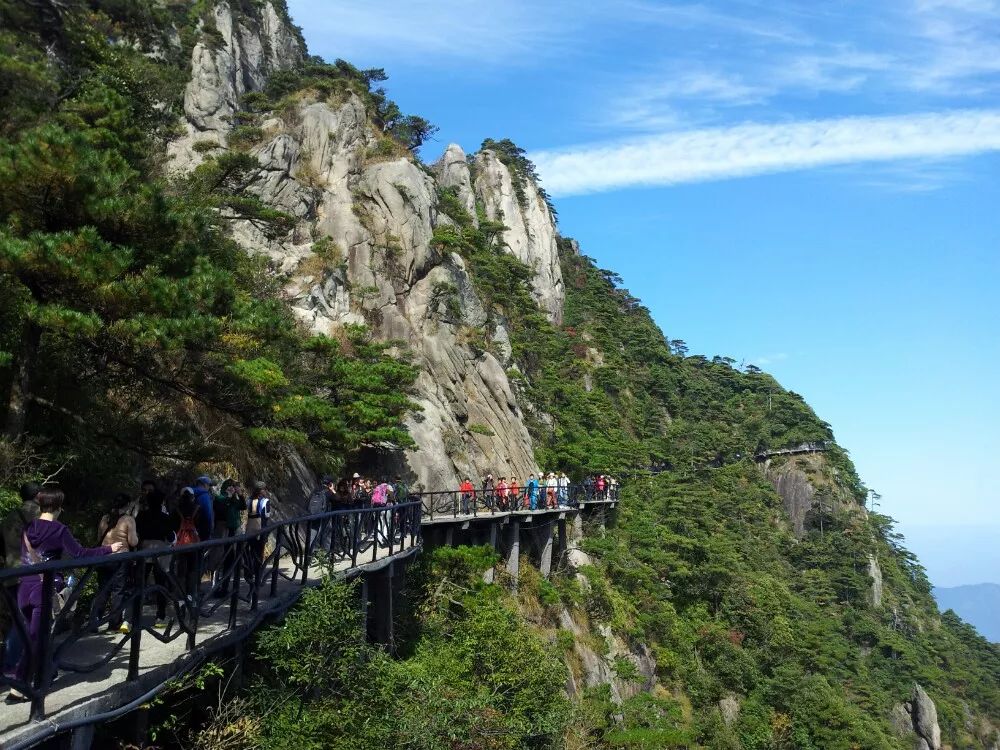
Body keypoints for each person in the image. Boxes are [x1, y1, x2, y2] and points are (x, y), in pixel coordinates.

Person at [7, 487, 122, 703]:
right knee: (36, 638)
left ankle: (41, 676)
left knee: (31, 636)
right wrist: (109, 549)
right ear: (59, 508)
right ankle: (19, 687)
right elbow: (80, 553)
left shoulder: (28, 526)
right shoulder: (59, 530)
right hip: (43, 588)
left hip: (24, 587)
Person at [2, 482, 40, 677]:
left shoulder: (9, 517)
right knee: (29, 621)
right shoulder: (38, 515)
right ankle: (17, 666)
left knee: (19, 620)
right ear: (38, 495)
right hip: (30, 575)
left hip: (10, 573)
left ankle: (11, 663)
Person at [93, 494, 139, 633]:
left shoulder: (105, 518)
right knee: (118, 590)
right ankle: (114, 623)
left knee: (103, 589)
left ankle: (95, 620)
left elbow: (98, 537)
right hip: (120, 558)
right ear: (127, 505)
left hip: (104, 557)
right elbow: (133, 541)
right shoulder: (128, 520)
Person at [135, 485, 178, 626]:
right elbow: (170, 537)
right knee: (161, 584)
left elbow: (137, 533)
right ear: (161, 502)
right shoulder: (165, 517)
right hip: (160, 551)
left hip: (143, 549)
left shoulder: (141, 516)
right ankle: (160, 616)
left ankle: (133, 617)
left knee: (139, 584)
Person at [212, 479, 246, 596]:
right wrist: (230, 497)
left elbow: (243, 506)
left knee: (229, 560)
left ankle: (224, 588)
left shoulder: (233, 499)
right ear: (225, 487)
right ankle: (215, 588)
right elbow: (221, 508)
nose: (232, 488)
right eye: (230, 486)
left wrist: (240, 495)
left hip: (231, 533)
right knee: (217, 560)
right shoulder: (220, 498)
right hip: (221, 532)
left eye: (233, 486)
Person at [244, 482, 271, 586]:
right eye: (265, 489)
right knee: (259, 554)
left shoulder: (249, 500)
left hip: (250, 528)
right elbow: (266, 515)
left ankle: (248, 574)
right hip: (260, 529)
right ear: (261, 491)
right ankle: (257, 578)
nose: (266, 491)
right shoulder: (265, 501)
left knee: (250, 552)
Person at [192, 476, 215, 545]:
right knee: (199, 552)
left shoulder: (190, 492)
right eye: (209, 485)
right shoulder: (204, 496)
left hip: (190, 528)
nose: (209, 487)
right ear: (204, 484)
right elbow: (207, 516)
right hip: (202, 530)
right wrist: (209, 530)